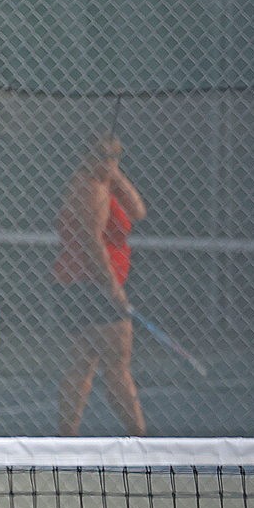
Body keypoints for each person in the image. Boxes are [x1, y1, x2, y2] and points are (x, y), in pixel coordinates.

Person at [52, 131, 147, 436]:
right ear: (85, 157)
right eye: (102, 156)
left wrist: (115, 175)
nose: (108, 163)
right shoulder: (89, 189)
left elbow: (138, 211)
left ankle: (66, 436)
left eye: (115, 157)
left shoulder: (107, 184)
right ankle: (141, 437)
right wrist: (112, 287)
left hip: (89, 284)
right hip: (90, 284)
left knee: (84, 361)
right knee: (117, 360)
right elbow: (90, 241)